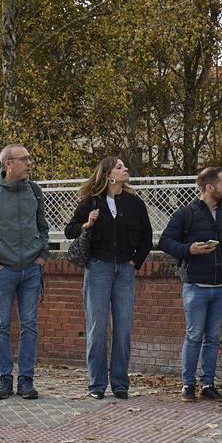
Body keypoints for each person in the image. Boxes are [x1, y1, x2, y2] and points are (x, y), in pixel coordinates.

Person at [160, 167, 222, 401]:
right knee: (194, 335)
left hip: (221, 285)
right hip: (196, 285)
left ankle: (208, 384)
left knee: (213, 337)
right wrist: (189, 249)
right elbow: (165, 241)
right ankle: (188, 384)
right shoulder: (186, 213)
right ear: (209, 187)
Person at [66, 156, 154, 399]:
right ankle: (96, 385)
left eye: (124, 166)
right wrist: (87, 224)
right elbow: (70, 230)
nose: (125, 169)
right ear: (108, 175)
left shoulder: (134, 203)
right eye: (119, 167)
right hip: (98, 268)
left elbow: (147, 237)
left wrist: (135, 262)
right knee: (97, 329)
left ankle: (120, 384)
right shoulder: (91, 202)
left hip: (125, 270)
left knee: (123, 329)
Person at [0, 143, 50, 400]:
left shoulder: (34, 190)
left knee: (29, 325)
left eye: (29, 158)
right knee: (1, 325)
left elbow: (43, 227)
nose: (29, 163)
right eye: (23, 159)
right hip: (3, 270)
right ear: (8, 164)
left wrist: (41, 256)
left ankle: (26, 380)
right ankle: (4, 379)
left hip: (31, 269)